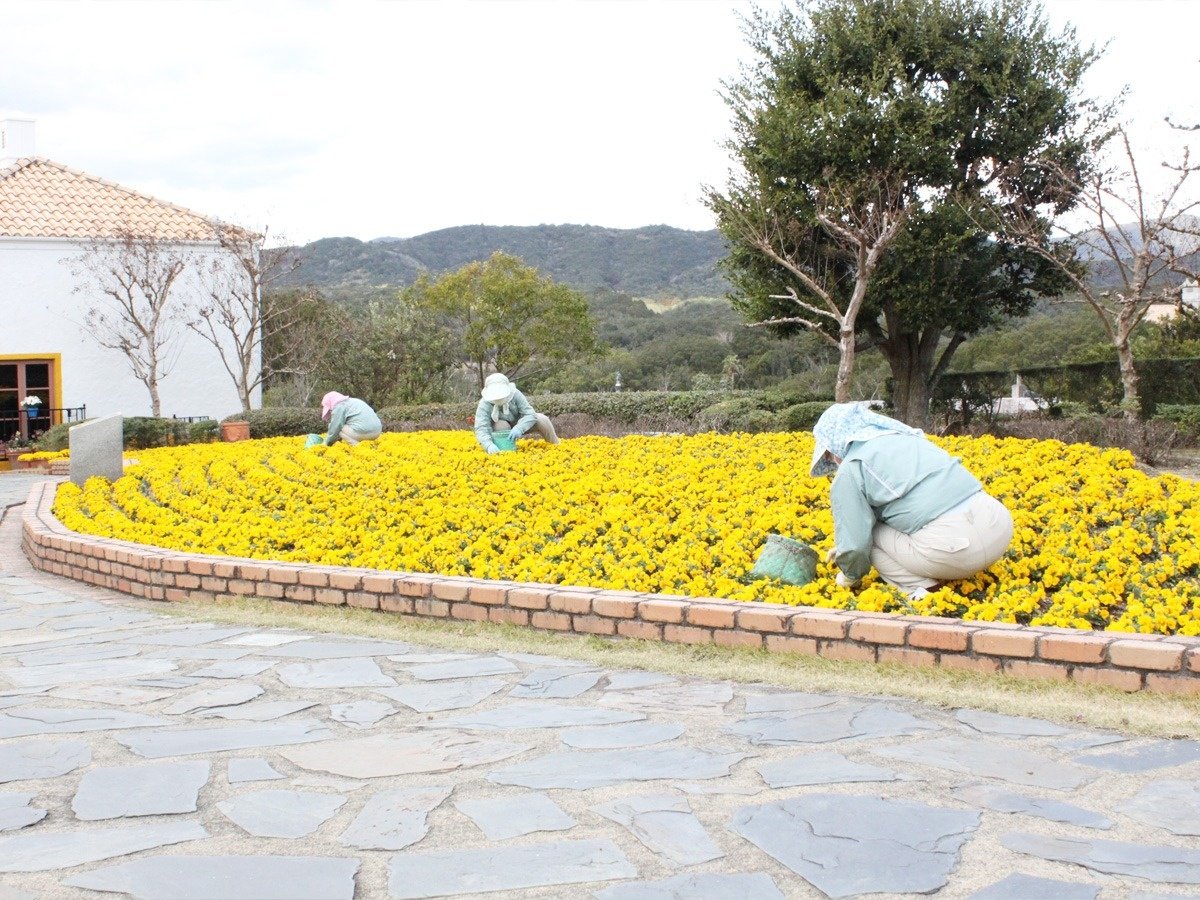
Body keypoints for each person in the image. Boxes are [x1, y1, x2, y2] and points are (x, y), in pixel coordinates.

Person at [810, 402, 1013, 597]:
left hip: (956, 552)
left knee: (867, 534)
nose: (832, 460)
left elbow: (856, 544)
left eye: (828, 454)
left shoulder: (851, 468)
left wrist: (847, 574)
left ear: (837, 444)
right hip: (1000, 528)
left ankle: (922, 587)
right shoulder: (907, 438)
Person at [474, 373, 559, 454]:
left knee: (542, 419)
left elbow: (530, 414)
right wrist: (488, 445)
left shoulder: (515, 394)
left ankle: (556, 446)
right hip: (500, 429)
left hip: (520, 424)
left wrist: (519, 428)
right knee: (501, 425)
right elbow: (481, 427)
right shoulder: (484, 403)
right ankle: (506, 451)